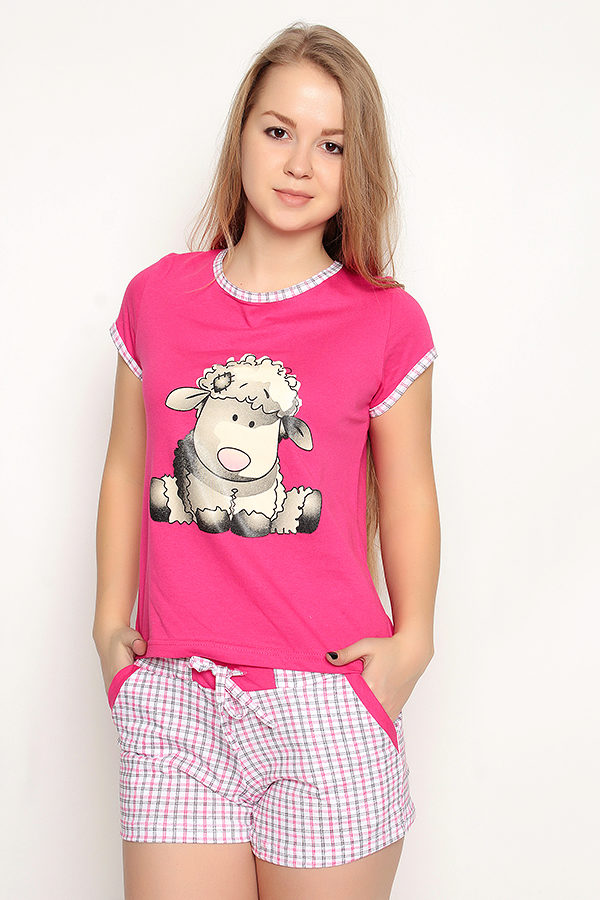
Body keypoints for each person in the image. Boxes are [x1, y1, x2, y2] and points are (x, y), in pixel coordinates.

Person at [93, 20, 440, 900]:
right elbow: (127, 466)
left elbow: (408, 494)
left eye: (332, 145)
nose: (299, 164)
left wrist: (412, 644)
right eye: (279, 130)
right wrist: (108, 625)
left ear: (356, 166)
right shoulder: (157, 298)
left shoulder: (386, 320)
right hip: (173, 697)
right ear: (241, 133)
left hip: (325, 699)